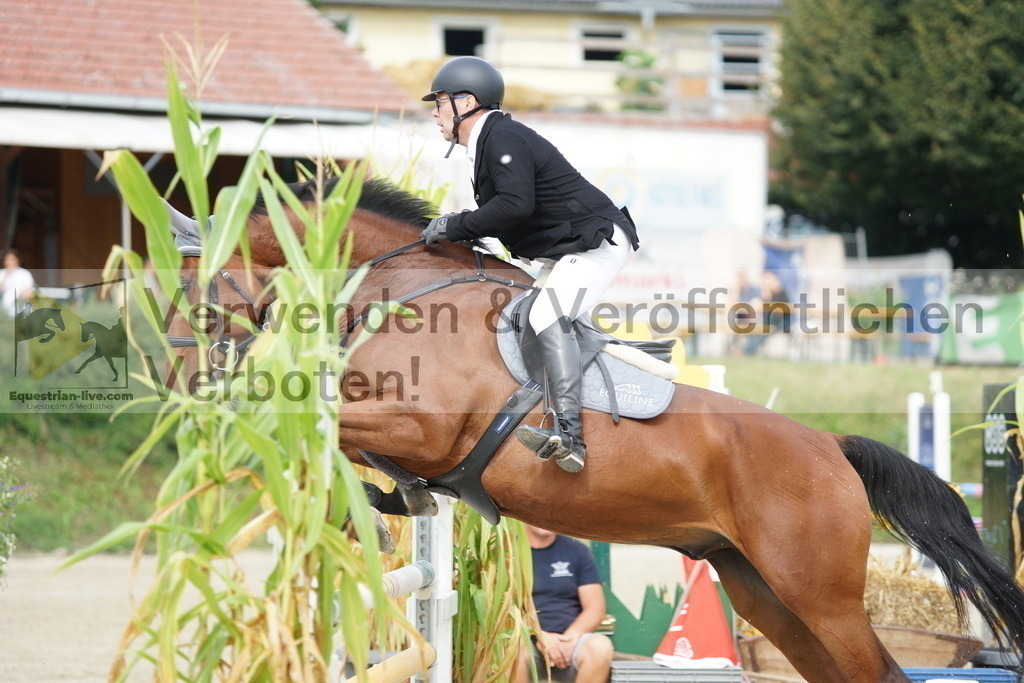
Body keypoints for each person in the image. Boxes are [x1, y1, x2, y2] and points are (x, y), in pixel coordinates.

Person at [419, 56, 640, 474]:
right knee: (521, 318)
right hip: (570, 249)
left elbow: (514, 206)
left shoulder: (502, 136)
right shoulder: (489, 141)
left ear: (466, 102)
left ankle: (570, 436)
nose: (435, 112)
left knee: (545, 316)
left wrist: (454, 225)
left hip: (595, 243)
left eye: (440, 102)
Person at [515, 525, 614, 683]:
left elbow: (595, 608)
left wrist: (566, 641)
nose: (545, 520)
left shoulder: (577, 550)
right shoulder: (510, 552)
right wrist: (540, 636)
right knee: (511, 646)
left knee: (600, 647)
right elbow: (502, 611)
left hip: (571, 642)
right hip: (528, 641)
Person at [0, 249, 35, 317]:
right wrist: (7, 275)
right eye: (7, 259)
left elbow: (29, 290)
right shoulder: (2, 273)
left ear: (17, 260)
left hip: (21, 305)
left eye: (12, 259)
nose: (9, 262)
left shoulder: (24, 273)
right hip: (5, 307)